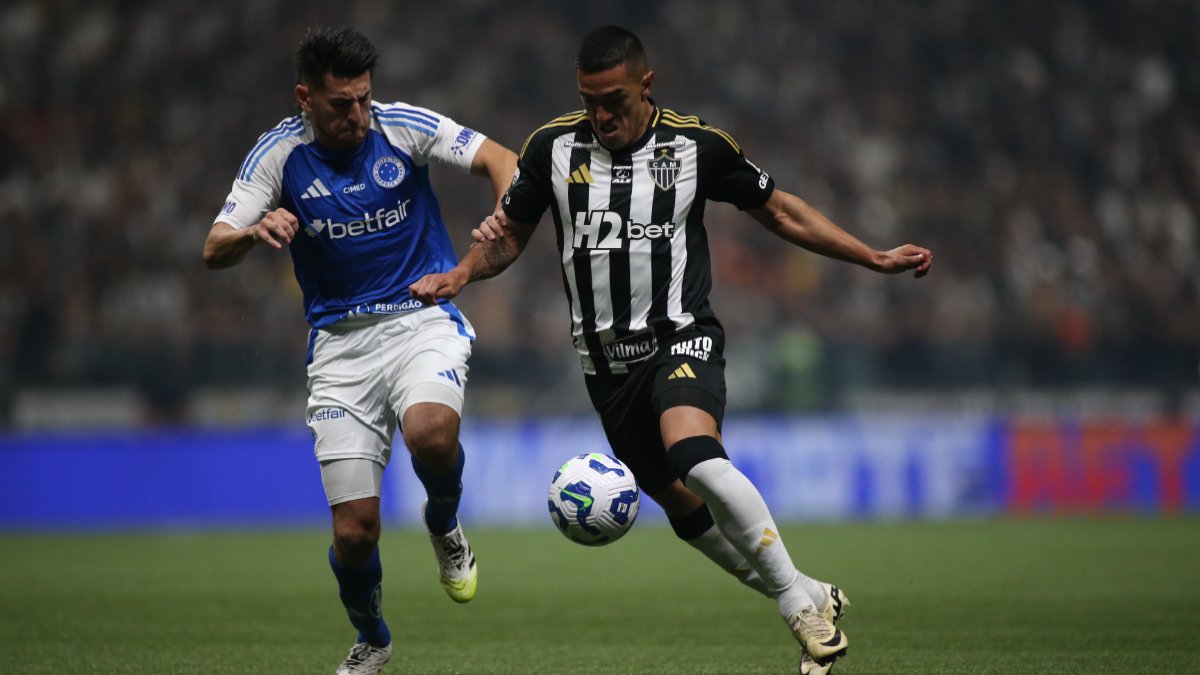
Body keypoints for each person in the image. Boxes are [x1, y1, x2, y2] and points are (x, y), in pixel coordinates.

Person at [410, 25, 931, 674]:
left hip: (682, 337)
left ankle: (797, 609)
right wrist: (462, 273)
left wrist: (871, 256)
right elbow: (509, 236)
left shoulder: (697, 146)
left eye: (616, 100)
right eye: (590, 100)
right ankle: (809, 589)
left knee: (697, 457)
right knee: (690, 516)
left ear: (646, 85)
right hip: (605, 368)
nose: (602, 116)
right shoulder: (550, 148)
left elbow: (781, 211)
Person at [203, 26, 517, 675]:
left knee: (431, 434)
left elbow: (502, 159)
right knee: (354, 532)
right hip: (340, 351)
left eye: (363, 99)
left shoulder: (400, 127)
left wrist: (503, 213)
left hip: (419, 318)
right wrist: (256, 228)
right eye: (341, 104)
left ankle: (445, 521)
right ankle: (373, 637)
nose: (356, 115)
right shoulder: (278, 155)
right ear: (305, 99)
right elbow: (214, 246)